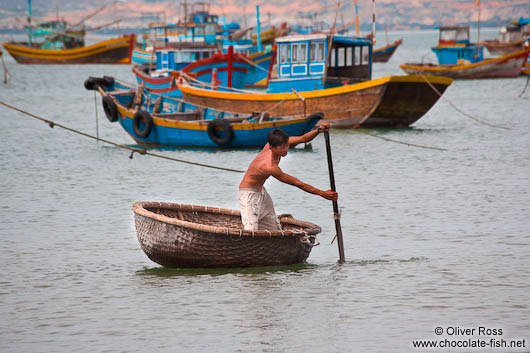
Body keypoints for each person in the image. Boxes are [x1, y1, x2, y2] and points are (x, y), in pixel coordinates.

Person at [238, 122, 338, 231]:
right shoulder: (269, 166)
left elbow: (304, 138)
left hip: (261, 191)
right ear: (271, 147)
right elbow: (297, 183)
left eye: (287, 145)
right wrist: (322, 193)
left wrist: (319, 130)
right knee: (250, 230)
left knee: (273, 226)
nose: (285, 150)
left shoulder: (278, 143)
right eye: (282, 147)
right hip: (248, 193)